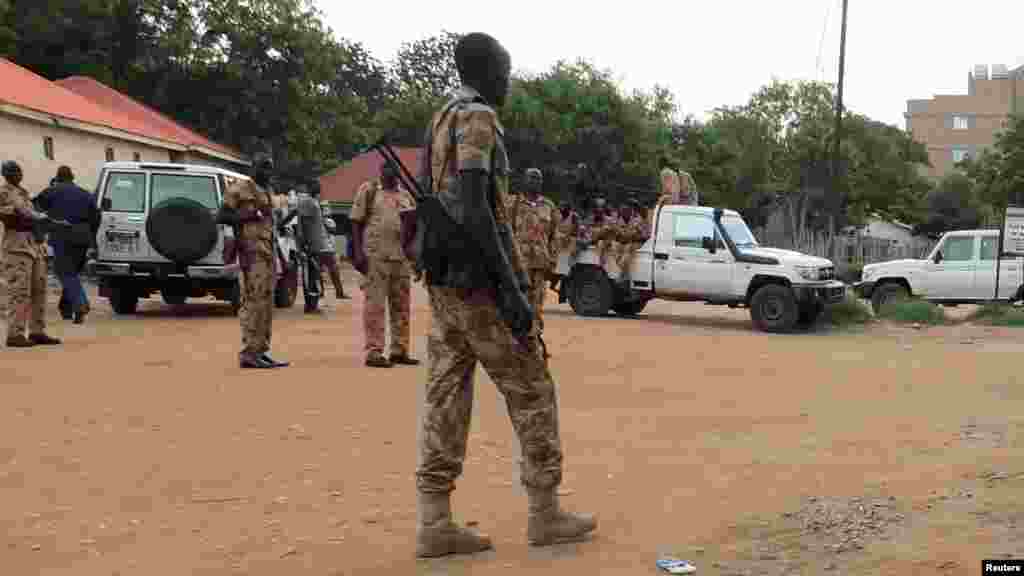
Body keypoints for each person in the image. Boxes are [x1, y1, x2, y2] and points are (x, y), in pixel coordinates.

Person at [413, 32, 595, 559]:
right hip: (479, 281)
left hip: (446, 277)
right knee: (533, 388)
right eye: (506, 72)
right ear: (487, 69)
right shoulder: (478, 117)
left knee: (446, 393)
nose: (508, 82)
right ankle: (545, 513)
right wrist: (511, 291)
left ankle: (435, 520)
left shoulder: (440, 116)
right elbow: (475, 205)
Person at [216, 153, 288, 369]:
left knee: (266, 303)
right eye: (263, 167)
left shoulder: (268, 191)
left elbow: (270, 223)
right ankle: (249, 351)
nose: (267, 172)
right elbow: (221, 216)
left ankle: (261, 349)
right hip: (251, 252)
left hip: (267, 252)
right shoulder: (239, 189)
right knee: (253, 301)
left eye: (270, 168)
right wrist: (248, 216)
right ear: (253, 168)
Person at [350, 163, 419, 368]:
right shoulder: (369, 191)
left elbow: (415, 225)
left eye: (396, 170)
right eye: (388, 170)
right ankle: (374, 351)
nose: (393, 174)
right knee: (375, 305)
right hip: (375, 256)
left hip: (400, 257)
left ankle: (399, 349)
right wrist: (358, 252)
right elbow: (355, 221)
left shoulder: (407, 196)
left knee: (402, 306)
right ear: (381, 172)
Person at [0, 160, 61, 347]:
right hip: (16, 246)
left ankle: (37, 331)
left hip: (34, 245)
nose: (17, 174)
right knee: (19, 291)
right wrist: (16, 213)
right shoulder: (4, 192)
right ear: (5, 174)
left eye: (19, 170)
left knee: (39, 290)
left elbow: (33, 217)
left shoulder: (23, 193)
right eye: (13, 171)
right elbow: (8, 213)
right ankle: (15, 334)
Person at [33, 166, 99, 324]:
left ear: (58, 178)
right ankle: (67, 309)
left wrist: (41, 230)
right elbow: (96, 218)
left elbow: (34, 209)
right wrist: (92, 239)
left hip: (62, 235)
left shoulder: (51, 191)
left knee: (65, 273)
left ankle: (81, 303)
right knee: (72, 274)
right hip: (83, 238)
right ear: (72, 177)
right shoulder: (86, 194)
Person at [507, 168, 558, 358]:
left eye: (538, 178)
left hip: (540, 264)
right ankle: (516, 342)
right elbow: (507, 232)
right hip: (518, 265)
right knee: (518, 304)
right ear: (524, 180)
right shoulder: (513, 204)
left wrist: (552, 260)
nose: (535, 181)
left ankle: (534, 342)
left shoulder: (549, 206)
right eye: (531, 177)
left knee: (536, 305)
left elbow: (555, 236)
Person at [296, 180, 348, 301]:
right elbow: (302, 222)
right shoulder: (307, 201)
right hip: (315, 243)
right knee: (319, 269)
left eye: (319, 185)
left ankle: (334, 292)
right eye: (315, 186)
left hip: (322, 241)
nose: (318, 187)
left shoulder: (315, 202)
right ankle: (322, 294)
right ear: (309, 188)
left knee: (327, 267)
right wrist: (303, 241)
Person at [614, 199, 650, 288]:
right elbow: (619, 232)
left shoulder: (639, 219)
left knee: (628, 249)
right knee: (616, 247)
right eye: (623, 211)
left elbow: (643, 235)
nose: (625, 212)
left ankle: (621, 273)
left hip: (638, 242)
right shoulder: (620, 219)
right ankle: (622, 272)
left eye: (627, 210)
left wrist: (632, 234)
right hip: (627, 241)